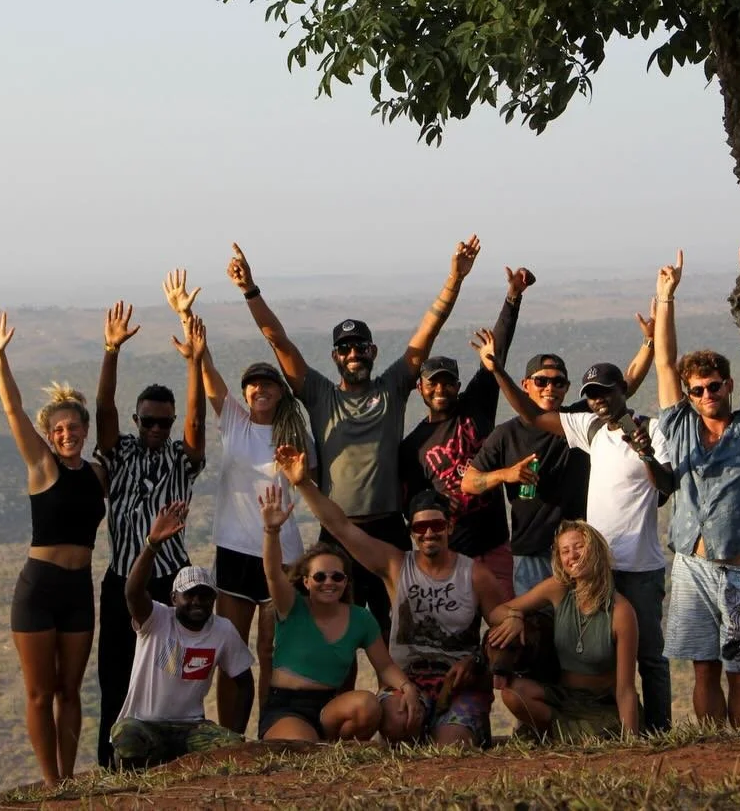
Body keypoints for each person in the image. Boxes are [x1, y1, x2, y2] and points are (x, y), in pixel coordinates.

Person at [228, 237, 480, 637]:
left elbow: (428, 331)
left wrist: (454, 280)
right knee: (335, 633)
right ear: (335, 357)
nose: (352, 354)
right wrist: (250, 290)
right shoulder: (318, 394)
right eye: (344, 349)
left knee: (395, 630)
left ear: (373, 351)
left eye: (359, 347)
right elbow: (278, 340)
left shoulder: (392, 388)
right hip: (336, 531)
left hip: (387, 531)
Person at [474, 328, 675, 734]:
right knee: (566, 650)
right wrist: (497, 371)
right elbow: (532, 414)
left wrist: (646, 453)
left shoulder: (654, 430)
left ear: (624, 390)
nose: (599, 399)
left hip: (638, 566)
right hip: (590, 568)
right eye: (593, 393)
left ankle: (657, 732)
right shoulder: (591, 428)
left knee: (649, 657)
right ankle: (564, 726)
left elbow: (666, 488)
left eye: (605, 391)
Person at [274, 446, 508, 747]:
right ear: (412, 532)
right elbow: (341, 527)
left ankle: (454, 729)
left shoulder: (474, 574)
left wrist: (479, 656)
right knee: (398, 724)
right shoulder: (397, 565)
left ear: (449, 526)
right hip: (407, 681)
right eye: (420, 527)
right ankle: (421, 730)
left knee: (452, 747)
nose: (429, 534)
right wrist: (304, 483)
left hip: (461, 683)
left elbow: (499, 628)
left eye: (436, 525)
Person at [0, 309, 105, 787]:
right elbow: (12, 408)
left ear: (84, 430)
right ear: (49, 435)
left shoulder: (97, 474)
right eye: (58, 429)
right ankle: (51, 782)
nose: (67, 434)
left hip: (79, 588)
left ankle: (69, 779)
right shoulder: (42, 466)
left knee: (71, 691)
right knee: (40, 692)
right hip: (39, 588)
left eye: (74, 427)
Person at [654, 249, 740, 726]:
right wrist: (666, 298)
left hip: (739, 572)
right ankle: (713, 751)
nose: (709, 395)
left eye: (716, 386)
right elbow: (665, 363)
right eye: (699, 389)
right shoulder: (680, 424)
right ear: (689, 393)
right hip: (689, 566)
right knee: (702, 670)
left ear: (729, 384)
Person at [93, 278, 207, 768]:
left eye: (164, 421)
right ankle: (110, 765)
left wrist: (195, 363)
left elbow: (197, 425)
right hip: (122, 579)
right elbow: (102, 410)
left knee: (167, 676)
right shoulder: (119, 454)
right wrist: (111, 351)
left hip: (171, 583)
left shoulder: (181, 460)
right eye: (149, 421)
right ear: (137, 421)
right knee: (115, 675)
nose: (158, 429)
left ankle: (164, 760)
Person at [462, 313, 656, 598]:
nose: (549, 388)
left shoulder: (578, 420)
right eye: (541, 381)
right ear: (525, 384)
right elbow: (468, 482)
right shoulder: (506, 435)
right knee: (536, 630)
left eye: (558, 382)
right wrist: (507, 474)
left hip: (580, 551)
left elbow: (627, 383)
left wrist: (650, 341)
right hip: (531, 553)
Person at [190, 297, 317, 725]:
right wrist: (188, 321)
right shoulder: (235, 424)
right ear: (245, 393)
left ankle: (269, 731)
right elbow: (207, 375)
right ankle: (231, 736)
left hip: (281, 553)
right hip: (234, 547)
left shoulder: (296, 436)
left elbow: (309, 482)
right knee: (233, 649)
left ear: (281, 392)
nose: (259, 389)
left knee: (269, 650)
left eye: (268, 383)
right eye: (252, 384)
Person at [399, 265, 533, 598]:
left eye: (448, 382)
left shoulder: (476, 407)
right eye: (434, 383)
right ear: (421, 389)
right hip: (454, 553)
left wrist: (513, 298)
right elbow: (413, 505)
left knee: (507, 628)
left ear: (458, 386)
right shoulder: (413, 446)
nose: (441, 389)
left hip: (496, 544)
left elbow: (494, 357)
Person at [257, 484, 420, 741]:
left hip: (328, 706)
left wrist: (407, 686)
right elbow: (273, 574)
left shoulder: (359, 618)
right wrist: (272, 530)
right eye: (320, 576)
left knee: (368, 707)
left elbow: (385, 664)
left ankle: (336, 749)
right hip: (287, 707)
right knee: (300, 748)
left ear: (346, 582)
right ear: (306, 581)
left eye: (337, 576)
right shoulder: (292, 606)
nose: (329, 582)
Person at [111, 501, 254, 768]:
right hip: (145, 723)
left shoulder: (222, 630)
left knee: (234, 749)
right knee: (127, 737)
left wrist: (236, 731)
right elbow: (132, 592)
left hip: (191, 728)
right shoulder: (156, 619)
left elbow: (244, 681)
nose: (198, 601)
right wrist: (152, 544)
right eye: (190, 595)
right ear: (174, 598)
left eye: (205, 595)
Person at [487, 521, 642, 740]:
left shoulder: (621, 612)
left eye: (579, 547)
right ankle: (557, 734)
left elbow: (625, 688)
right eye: (565, 551)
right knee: (513, 695)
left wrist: (631, 741)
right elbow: (496, 613)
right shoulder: (558, 588)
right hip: (563, 697)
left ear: (595, 550)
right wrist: (514, 616)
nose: (573, 555)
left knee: (601, 736)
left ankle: (563, 737)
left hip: (600, 704)